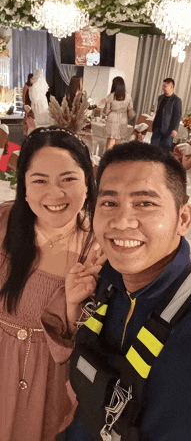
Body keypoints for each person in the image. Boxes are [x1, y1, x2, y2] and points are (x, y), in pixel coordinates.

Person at [65, 141, 191, 441]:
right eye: (109, 203)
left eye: (145, 203)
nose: (122, 221)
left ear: (183, 220)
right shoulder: (106, 285)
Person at [0, 126, 103, 441]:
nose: (54, 194)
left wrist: (74, 305)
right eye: (40, 180)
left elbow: (93, 343)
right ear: (25, 187)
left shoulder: (98, 249)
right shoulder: (4, 221)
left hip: (46, 380)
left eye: (68, 179)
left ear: (87, 182)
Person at [102, 76, 136, 150]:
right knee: (118, 141)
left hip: (112, 118)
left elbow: (106, 111)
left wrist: (103, 113)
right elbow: (131, 108)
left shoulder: (111, 96)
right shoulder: (128, 96)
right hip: (123, 118)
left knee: (110, 140)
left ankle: (107, 159)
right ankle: (116, 160)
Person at [151, 78, 182, 151]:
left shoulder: (177, 100)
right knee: (153, 149)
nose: (163, 88)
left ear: (171, 87)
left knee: (164, 151)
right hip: (157, 128)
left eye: (165, 86)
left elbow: (177, 116)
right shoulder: (160, 97)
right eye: (162, 86)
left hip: (168, 130)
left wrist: (175, 129)